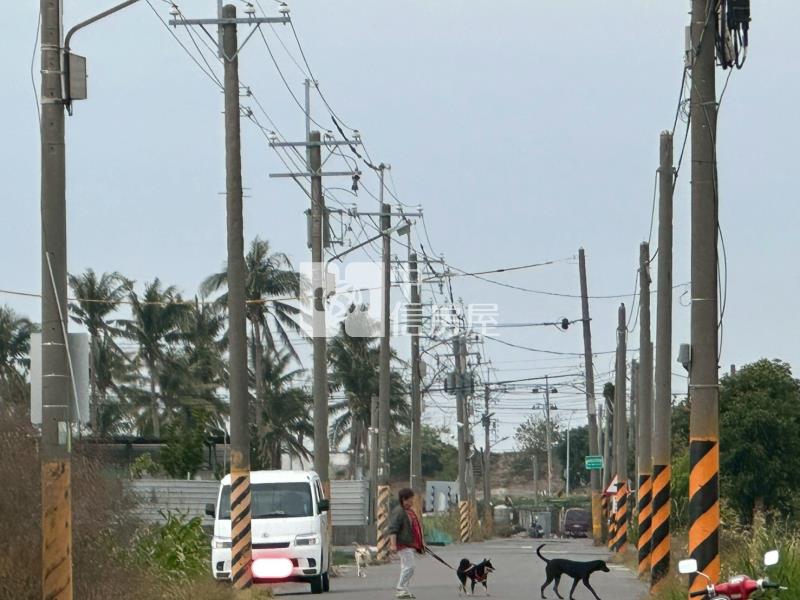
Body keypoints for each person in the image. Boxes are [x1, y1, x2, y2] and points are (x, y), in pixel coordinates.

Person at [388, 488, 424, 599]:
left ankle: (403, 589)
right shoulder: (399, 512)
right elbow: (393, 529)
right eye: (411, 500)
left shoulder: (407, 511)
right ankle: (401, 588)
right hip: (402, 544)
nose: (412, 502)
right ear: (404, 499)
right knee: (410, 566)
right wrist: (393, 545)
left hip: (407, 543)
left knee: (406, 566)